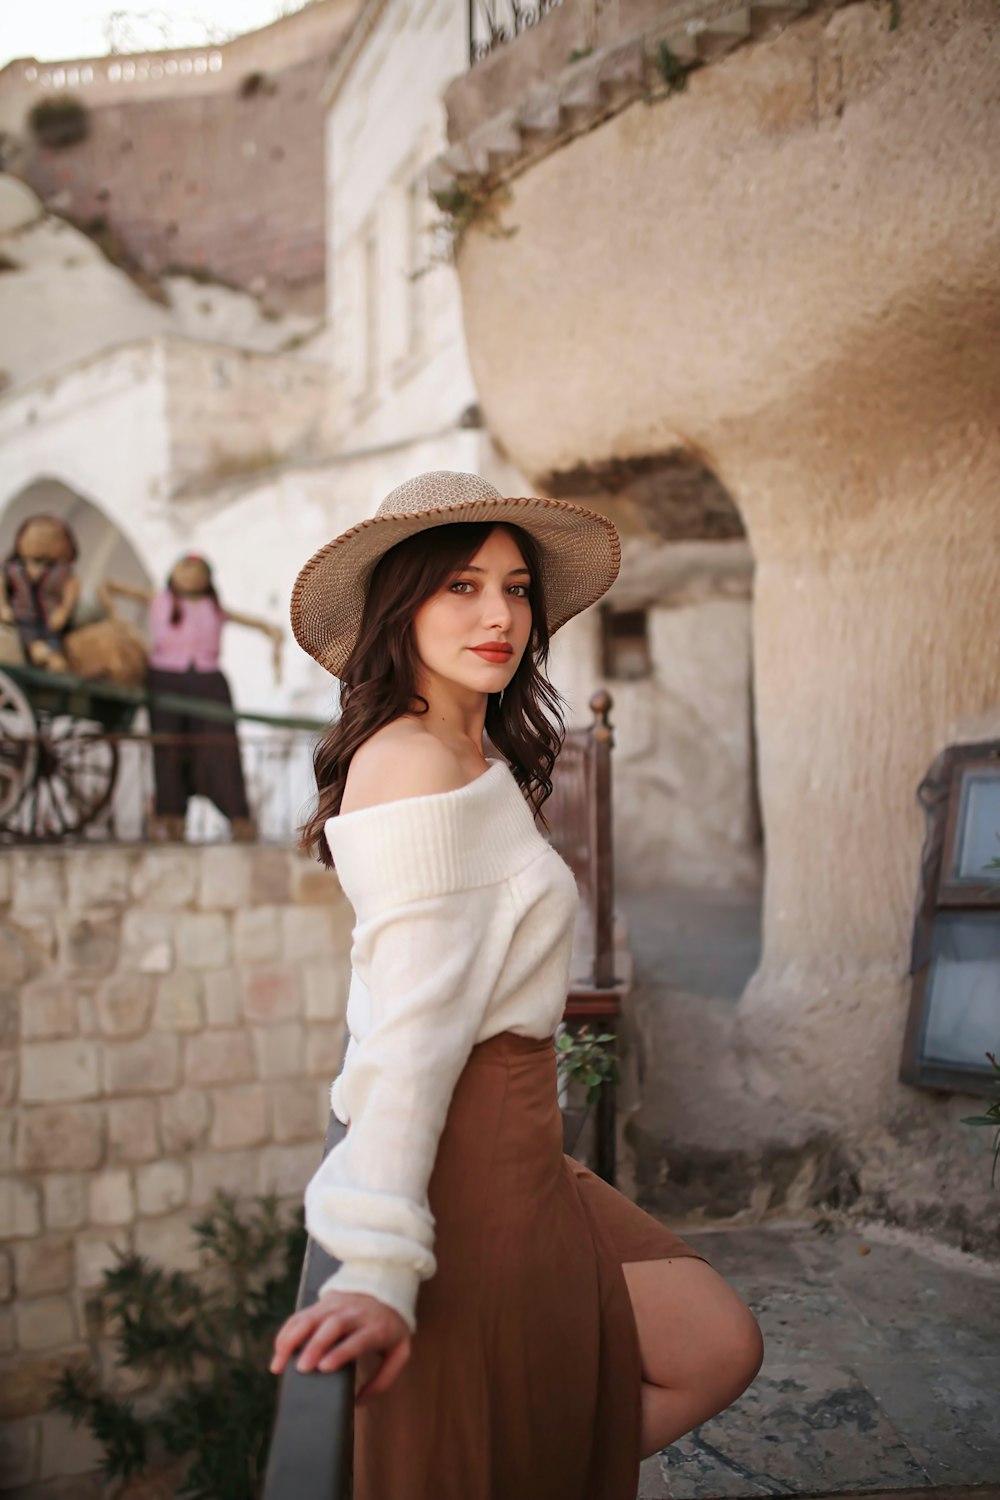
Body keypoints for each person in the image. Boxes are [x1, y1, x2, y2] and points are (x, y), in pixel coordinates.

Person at [272, 471, 763, 1499]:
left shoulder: (467, 744)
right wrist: (374, 1266)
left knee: (711, 1345)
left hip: (528, 1148)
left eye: (514, 587)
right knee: (491, 1433)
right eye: (459, 585)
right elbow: (408, 1030)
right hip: (472, 1156)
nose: (497, 614)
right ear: (399, 607)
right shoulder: (409, 763)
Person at [100, 554, 283, 841]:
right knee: (168, 747)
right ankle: (171, 817)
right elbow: (108, 587)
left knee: (220, 747)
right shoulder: (158, 601)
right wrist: (118, 625)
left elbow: (252, 623)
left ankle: (236, 816)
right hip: (165, 680)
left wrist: (272, 633)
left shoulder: (215, 609)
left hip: (208, 682)